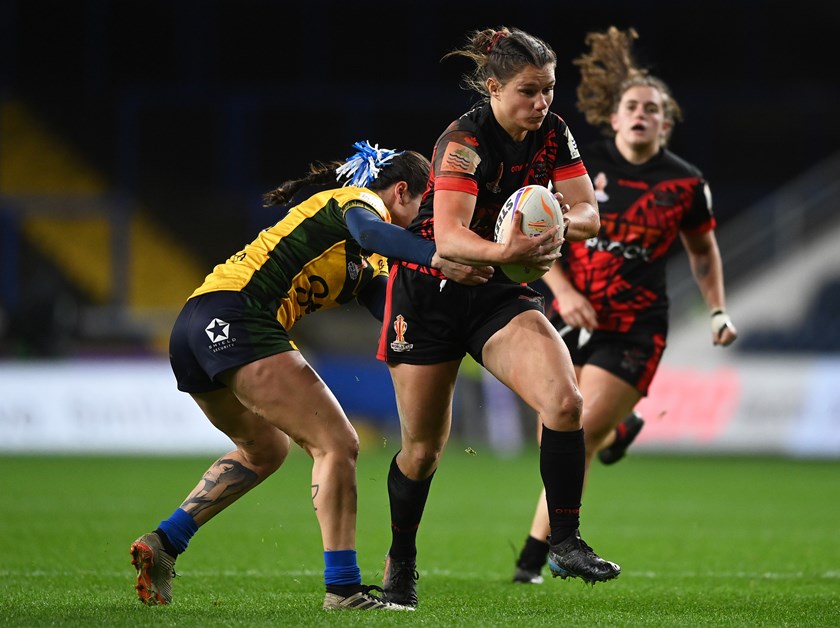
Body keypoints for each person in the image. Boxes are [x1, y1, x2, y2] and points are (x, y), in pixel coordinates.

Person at [129, 140, 491, 612]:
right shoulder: (357, 205)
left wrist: (461, 326)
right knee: (338, 443)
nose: (425, 216)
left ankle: (164, 542)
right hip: (240, 317)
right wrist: (436, 255)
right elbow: (377, 235)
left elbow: (393, 313)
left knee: (266, 450)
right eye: (424, 202)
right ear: (401, 190)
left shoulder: (366, 258)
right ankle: (342, 589)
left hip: (196, 327)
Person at [374, 26, 622, 608]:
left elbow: (590, 212)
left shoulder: (555, 134)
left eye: (549, 90)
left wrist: (561, 213)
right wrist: (508, 252)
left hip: (497, 295)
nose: (542, 103)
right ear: (493, 88)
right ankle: (401, 559)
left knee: (565, 401)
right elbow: (453, 236)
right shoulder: (461, 142)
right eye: (529, 91)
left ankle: (563, 540)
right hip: (430, 295)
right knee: (424, 450)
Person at [512, 26, 738, 584]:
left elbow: (703, 253)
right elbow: (545, 232)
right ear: (614, 118)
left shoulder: (685, 185)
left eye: (652, 109)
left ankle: (532, 562)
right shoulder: (584, 174)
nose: (641, 114)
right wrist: (563, 292)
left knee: (579, 432)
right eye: (632, 106)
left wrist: (717, 311)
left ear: (666, 122)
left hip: (637, 327)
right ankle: (623, 429)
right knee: (555, 435)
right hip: (575, 315)